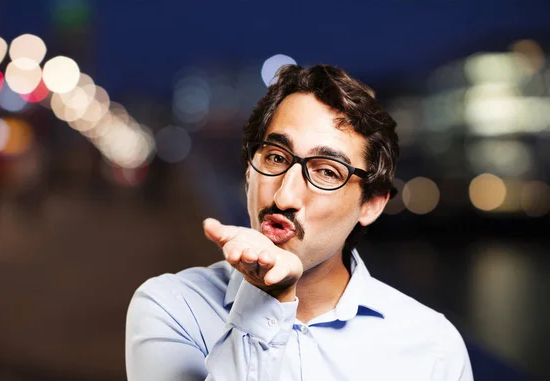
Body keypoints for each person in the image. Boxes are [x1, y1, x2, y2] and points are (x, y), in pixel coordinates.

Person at [125, 64, 473, 380]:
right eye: (276, 157)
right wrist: (266, 299)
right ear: (249, 173)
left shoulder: (433, 349)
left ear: (371, 204)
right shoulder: (173, 307)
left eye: (325, 171)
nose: (284, 197)